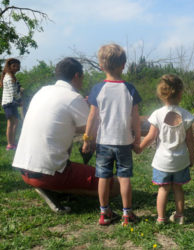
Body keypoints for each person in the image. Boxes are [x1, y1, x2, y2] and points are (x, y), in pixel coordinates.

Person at [12, 57, 119, 213]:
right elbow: (93, 129)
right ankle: (56, 190)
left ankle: (51, 187)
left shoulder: (42, 91)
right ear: (76, 76)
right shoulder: (73, 97)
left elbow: (62, 124)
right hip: (48, 173)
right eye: (82, 77)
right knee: (115, 185)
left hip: (25, 169)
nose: (82, 81)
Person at [82, 43, 142, 226]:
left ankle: (104, 213)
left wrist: (87, 139)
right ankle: (127, 214)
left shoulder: (97, 89)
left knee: (103, 177)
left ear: (101, 66)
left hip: (103, 142)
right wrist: (137, 139)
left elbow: (92, 117)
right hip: (124, 142)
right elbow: (135, 118)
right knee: (124, 178)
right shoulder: (130, 89)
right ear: (123, 65)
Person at [135, 74, 194, 225]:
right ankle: (180, 216)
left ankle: (161, 218)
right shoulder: (187, 116)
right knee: (178, 189)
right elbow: (190, 140)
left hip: (162, 162)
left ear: (161, 94)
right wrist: (191, 158)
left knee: (163, 189)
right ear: (180, 94)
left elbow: (150, 137)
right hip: (181, 161)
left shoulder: (157, 114)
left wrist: (139, 148)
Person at [0, 58, 21, 150]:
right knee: (12, 123)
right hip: (9, 103)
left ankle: (12, 143)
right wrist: (20, 99)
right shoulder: (9, 77)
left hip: (10, 103)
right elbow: (13, 92)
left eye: (17, 66)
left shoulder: (10, 76)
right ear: (9, 67)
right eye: (14, 66)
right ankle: (10, 144)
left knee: (14, 122)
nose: (16, 68)